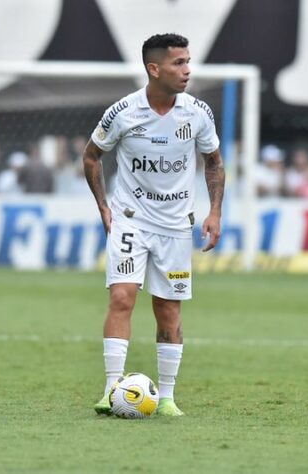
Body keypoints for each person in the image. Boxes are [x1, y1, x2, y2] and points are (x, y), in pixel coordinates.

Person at [83, 33, 224, 417]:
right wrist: (104, 206)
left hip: (177, 226)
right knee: (122, 296)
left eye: (188, 62)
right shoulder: (123, 112)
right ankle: (112, 388)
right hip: (131, 221)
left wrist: (215, 212)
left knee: (168, 310)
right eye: (179, 63)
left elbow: (213, 161)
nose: (187, 70)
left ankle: (166, 397)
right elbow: (92, 157)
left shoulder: (197, 113)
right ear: (154, 68)